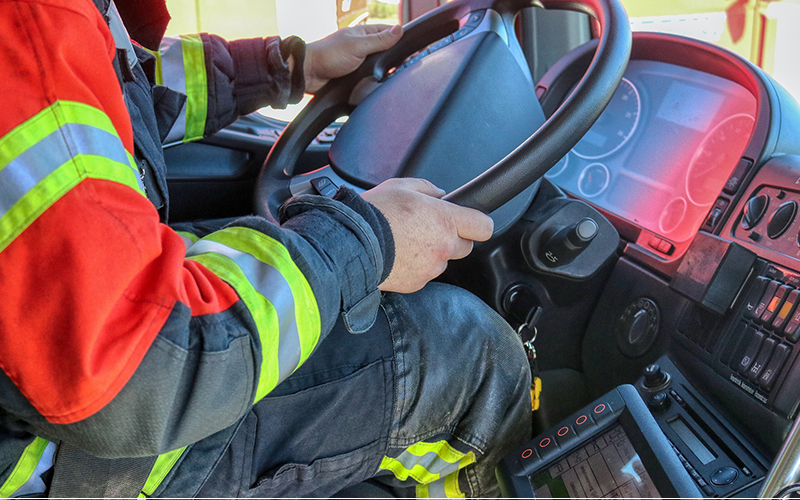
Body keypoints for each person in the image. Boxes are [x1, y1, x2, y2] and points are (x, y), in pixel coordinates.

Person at [0, 0, 532, 497]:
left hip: (79, 384)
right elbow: (137, 374)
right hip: (80, 460)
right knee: (475, 357)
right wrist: (367, 241)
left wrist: (288, 69)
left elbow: (114, 89)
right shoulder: (25, 32)